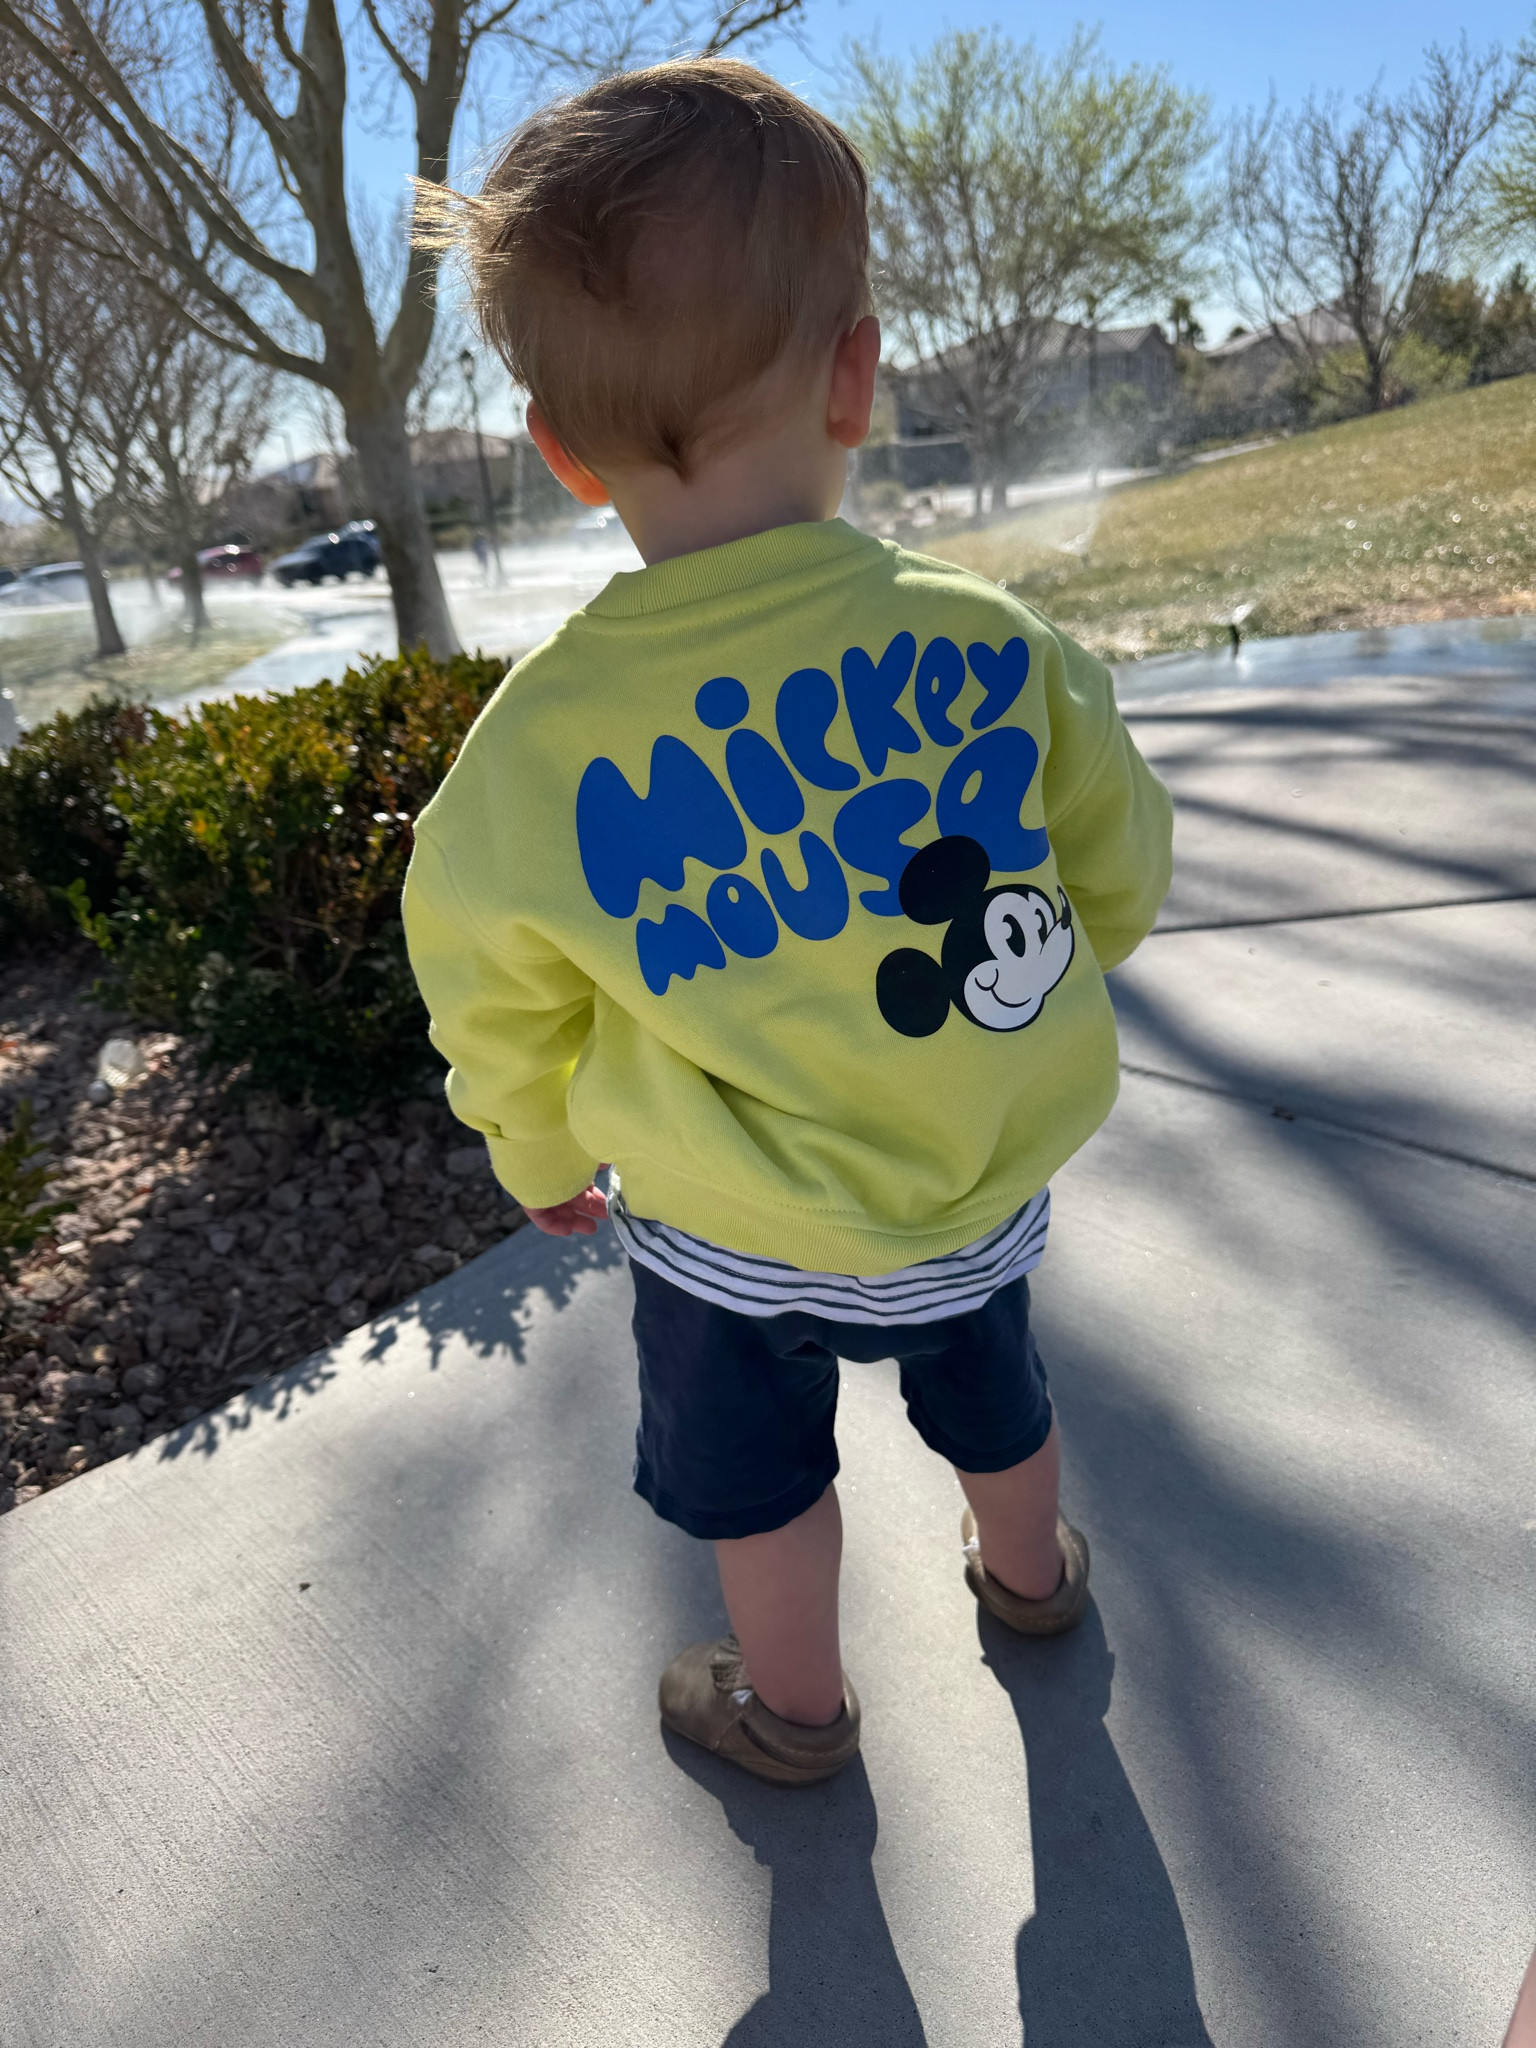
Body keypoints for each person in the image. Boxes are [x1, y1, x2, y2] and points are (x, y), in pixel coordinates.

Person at [404, 60, 1173, 1787]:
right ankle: (1032, 1582)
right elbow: (1113, 857)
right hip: (969, 1184)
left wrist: (534, 1150)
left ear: (560, 453)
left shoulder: (529, 753)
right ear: (857, 376)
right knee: (999, 1396)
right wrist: (1077, 959)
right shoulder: (992, 640)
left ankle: (797, 1716)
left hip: (728, 1239)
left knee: (757, 1478)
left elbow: (493, 999)